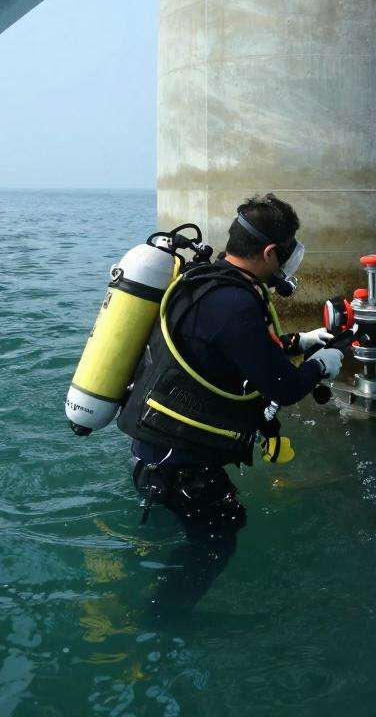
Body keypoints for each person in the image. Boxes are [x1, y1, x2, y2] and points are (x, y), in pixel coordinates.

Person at [116, 193, 344, 600]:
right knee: (220, 536)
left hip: (153, 450)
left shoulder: (206, 280)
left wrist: (301, 341)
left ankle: (143, 582)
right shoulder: (234, 303)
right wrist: (322, 365)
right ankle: (160, 622)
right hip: (177, 465)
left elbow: (227, 349)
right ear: (271, 251)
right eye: (287, 251)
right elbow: (285, 388)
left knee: (173, 531)